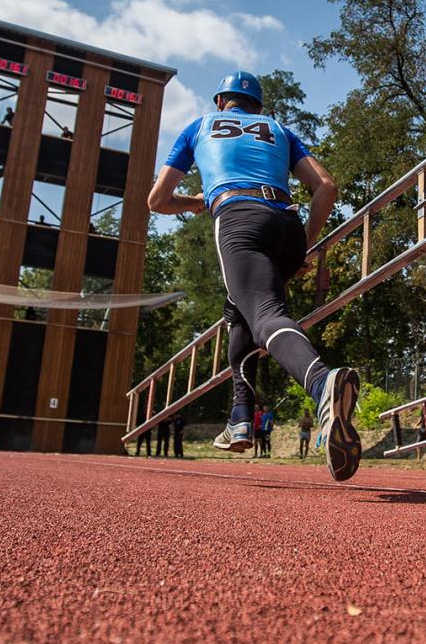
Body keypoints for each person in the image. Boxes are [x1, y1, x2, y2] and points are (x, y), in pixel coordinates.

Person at [148, 70, 362, 481]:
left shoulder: (199, 126)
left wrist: (195, 202)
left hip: (239, 216)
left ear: (220, 102)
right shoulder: (279, 130)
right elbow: (327, 187)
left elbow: (157, 200)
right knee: (239, 311)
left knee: (264, 314)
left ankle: (321, 384)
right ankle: (241, 417)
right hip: (287, 222)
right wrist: (305, 245)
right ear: (259, 109)